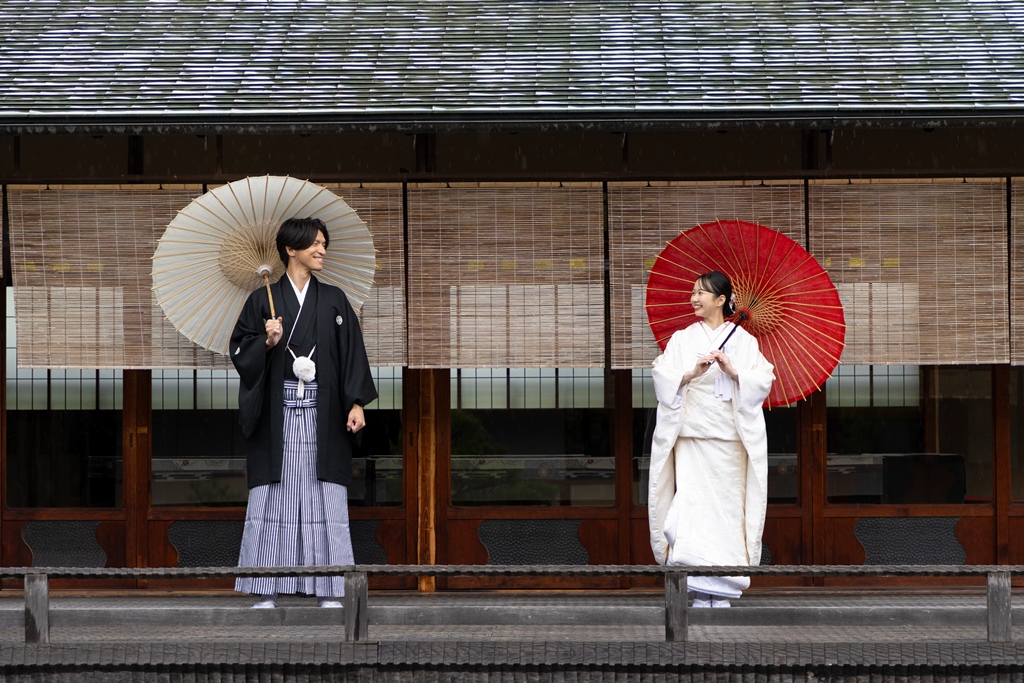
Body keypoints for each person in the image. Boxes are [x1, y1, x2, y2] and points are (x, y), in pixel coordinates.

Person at [231, 216, 378, 609]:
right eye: (314, 244)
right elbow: (239, 353)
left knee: (323, 498)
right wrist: (266, 340)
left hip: (323, 414)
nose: (322, 250)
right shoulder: (263, 299)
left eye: (324, 244)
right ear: (290, 249)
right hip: (277, 418)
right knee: (273, 498)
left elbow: (352, 355)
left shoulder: (334, 300)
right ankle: (265, 588)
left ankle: (329, 588)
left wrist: (357, 402)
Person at [647, 271, 774, 608]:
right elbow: (661, 374)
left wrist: (733, 371)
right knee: (691, 512)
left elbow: (763, 381)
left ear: (721, 300)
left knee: (726, 515)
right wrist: (691, 373)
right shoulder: (682, 339)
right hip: (692, 440)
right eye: (692, 292)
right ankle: (698, 587)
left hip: (729, 444)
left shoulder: (745, 343)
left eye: (701, 293)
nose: (693, 298)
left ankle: (722, 588)